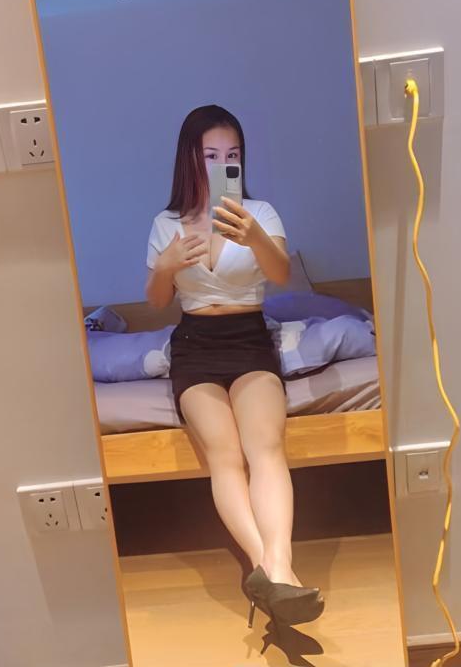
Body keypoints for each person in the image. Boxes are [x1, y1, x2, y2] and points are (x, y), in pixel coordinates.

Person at [145, 105, 324, 627]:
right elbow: (157, 301)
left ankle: (277, 569)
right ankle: (268, 566)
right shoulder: (166, 224)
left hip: (249, 340)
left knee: (265, 446)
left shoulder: (260, 213)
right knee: (224, 454)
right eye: (210, 155)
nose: (223, 163)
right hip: (195, 344)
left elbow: (282, 275)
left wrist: (255, 238)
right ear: (189, 159)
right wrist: (165, 266)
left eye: (232, 154)